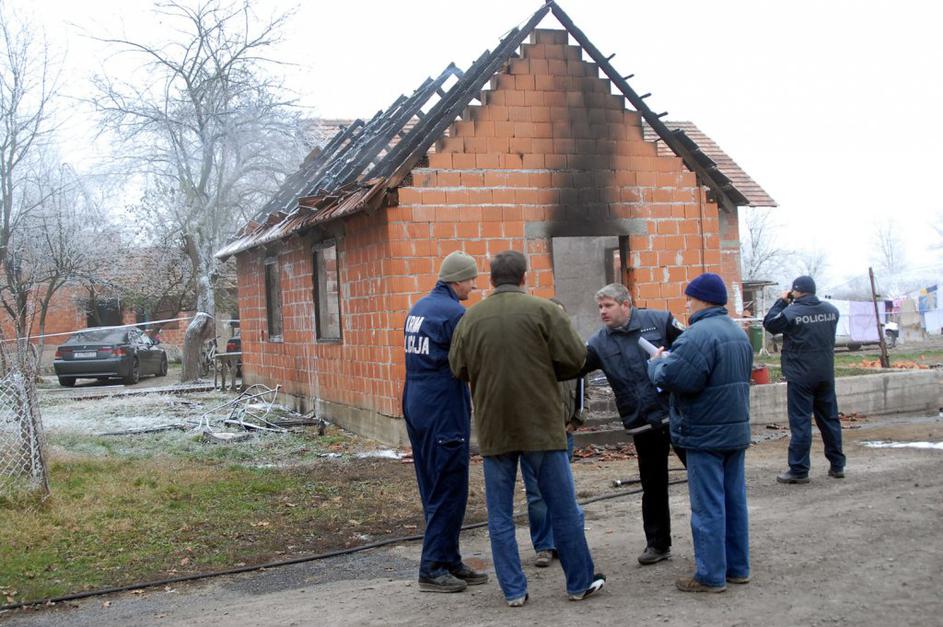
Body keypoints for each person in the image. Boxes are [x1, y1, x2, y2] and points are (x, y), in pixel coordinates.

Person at [449, 250, 606, 607]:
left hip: (495, 428)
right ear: (523, 278)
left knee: (500, 515)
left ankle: (514, 591)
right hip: (542, 426)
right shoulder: (545, 311)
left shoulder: (471, 319)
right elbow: (576, 359)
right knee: (563, 507)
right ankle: (579, 582)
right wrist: (547, 371)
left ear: (491, 280)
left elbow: (457, 368)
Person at [647, 272, 753, 593]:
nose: (688, 304)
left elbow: (679, 378)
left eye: (690, 298)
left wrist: (656, 364)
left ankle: (710, 575)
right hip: (734, 430)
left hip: (704, 433)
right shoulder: (737, 333)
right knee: (734, 502)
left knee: (708, 506)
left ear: (702, 299)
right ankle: (738, 568)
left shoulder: (697, 336)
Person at [581, 283, 686, 566]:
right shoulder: (598, 343)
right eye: (600, 307)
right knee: (652, 485)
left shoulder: (660, 321)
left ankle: (718, 536)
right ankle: (658, 544)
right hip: (642, 422)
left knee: (701, 476)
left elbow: (692, 349)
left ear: (626, 305)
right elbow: (572, 367)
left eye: (608, 306)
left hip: (676, 415)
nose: (602, 312)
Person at [402, 251, 488, 593]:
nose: (473, 285)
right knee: (449, 487)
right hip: (443, 406)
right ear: (457, 279)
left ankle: (449, 559)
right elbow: (468, 363)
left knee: (432, 484)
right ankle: (432, 567)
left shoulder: (419, 309)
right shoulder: (454, 314)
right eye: (471, 279)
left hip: (417, 403)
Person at [522, 297, 587, 569]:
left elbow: (582, 389)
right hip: (534, 437)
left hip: (563, 434)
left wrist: (577, 419)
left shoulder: (571, 351)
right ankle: (544, 545)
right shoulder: (529, 352)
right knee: (537, 494)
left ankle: (564, 542)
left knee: (563, 492)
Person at [763, 275, 846, 483]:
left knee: (800, 423)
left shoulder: (792, 312)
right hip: (825, 374)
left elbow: (770, 323)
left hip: (800, 376)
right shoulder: (831, 310)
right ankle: (837, 465)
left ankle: (799, 469)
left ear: (796, 291)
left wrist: (782, 301)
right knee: (830, 420)